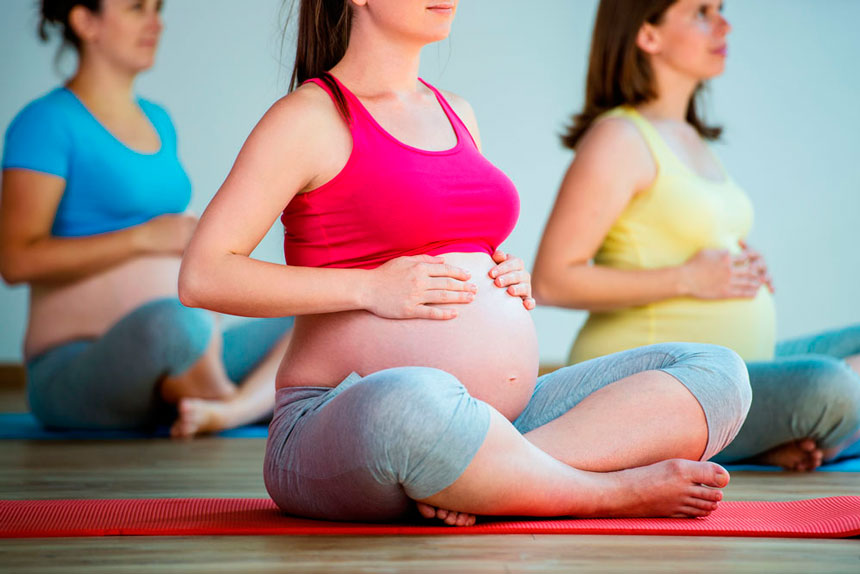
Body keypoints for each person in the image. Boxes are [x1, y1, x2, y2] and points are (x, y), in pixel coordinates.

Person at [179, 0, 750, 526]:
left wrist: (504, 272)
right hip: (349, 418)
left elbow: (458, 239)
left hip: (498, 420)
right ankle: (607, 493)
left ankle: (485, 477)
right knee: (417, 401)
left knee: (717, 373)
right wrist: (370, 288)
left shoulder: (458, 113)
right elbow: (204, 274)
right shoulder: (309, 117)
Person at [532, 0, 860, 472]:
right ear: (648, 34)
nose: (724, 23)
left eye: (720, 9)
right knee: (830, 389)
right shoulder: (619, 138)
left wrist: (742, 268)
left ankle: (746, 443)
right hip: (671, 379)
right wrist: (688, 278)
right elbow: (550, 280)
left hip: (744, 364)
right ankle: (717, 439)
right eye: (701, 12)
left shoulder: (690, 137)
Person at [0, 0, 293, 438]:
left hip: (194, 344)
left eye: (158, 9)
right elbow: (15, 260)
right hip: (80, 360)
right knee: (178, 324)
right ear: (85, 21)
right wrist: (145, 238)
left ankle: (225, 405)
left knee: (313, 320)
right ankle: (240, 401)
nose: (156, 23)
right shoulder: (44, 124)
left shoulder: (160, 121)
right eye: (137, 8)